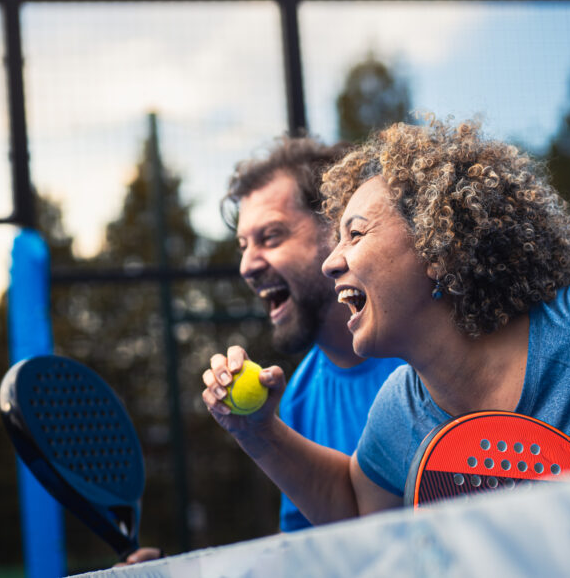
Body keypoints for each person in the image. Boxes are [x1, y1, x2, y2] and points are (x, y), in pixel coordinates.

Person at [200, 116, 570, 525]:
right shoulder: (401, 409)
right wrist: (258, 433)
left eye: (356, 234)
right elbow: (358, 510)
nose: (333, 261)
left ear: (438, 244)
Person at [120, 136, 404, 564]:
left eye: (271, 237)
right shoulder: (297, 398)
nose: (246, 265)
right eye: (242, 246)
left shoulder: (427, 356)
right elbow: (311, 558)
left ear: (341, 232)